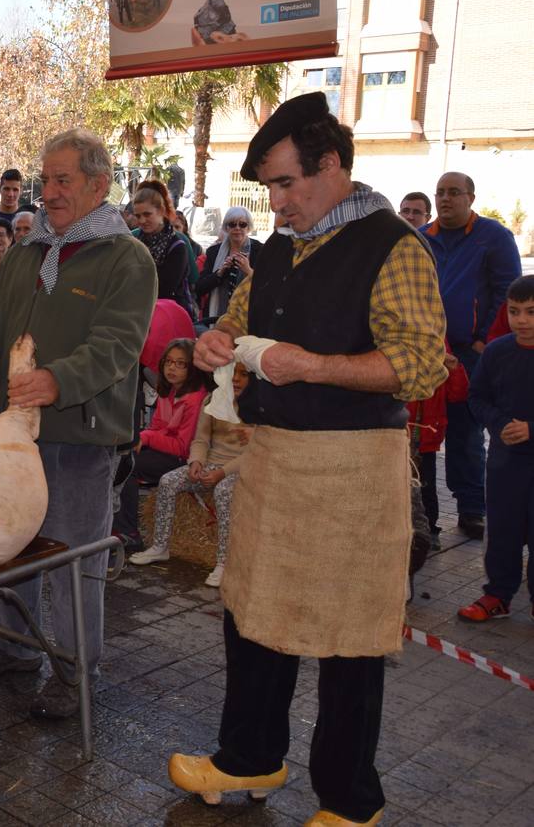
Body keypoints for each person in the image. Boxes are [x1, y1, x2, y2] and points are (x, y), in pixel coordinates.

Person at [171, 92, 446, 826]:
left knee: (349, 640)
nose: (277, 203)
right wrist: (212, 343)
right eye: (269, 188)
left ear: (331, 166)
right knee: (251, 615)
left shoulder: (394, 245)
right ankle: (249, 758)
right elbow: (234, 323)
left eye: (287, 183)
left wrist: (313, 367)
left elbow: (422, 365)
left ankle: (351, 802)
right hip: (274, 462)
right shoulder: (279, 249)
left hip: (354, 472)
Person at [0, 128, 156, 720]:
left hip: (78, 436)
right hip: (8, 433)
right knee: (9, 547)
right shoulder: (26, 251)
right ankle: (15, 648)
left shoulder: (127, 258)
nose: (51, 191)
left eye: (63, 180)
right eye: (46, 180)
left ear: (99, 185)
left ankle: (75, 672)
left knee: (73, 560)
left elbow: (118, 345)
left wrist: (58, 380)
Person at [424, 171, 522, 540]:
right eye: (440, 192)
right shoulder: (423, 237)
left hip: (470, 353)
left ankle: (471, 508)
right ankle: (424, 513)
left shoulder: (493, 237)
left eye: (454, 192)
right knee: (424, 433)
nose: (445, 199)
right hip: (429, 351)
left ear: (471, 198)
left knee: (466, 431)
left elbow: (508, 292)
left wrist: (483, 341)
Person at [131, 363, 254, 587]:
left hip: (241, 469)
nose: (235, 379)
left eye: (243, 374)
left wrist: (222, 473)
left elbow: (254, 452)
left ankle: (224, 562)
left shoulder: (260, 409)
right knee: (168, 481)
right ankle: (160, 546)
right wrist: (196, 462)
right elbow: (201, 440)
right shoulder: (213, 400)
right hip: (212, 463)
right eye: (232, 373)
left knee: (223, 491)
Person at [457, 275, 534, 622]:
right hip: (506, 463)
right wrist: (500, 424)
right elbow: (477, 397)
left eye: (531, 312)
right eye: (515, 311)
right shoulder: (497, 352)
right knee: (502, 530)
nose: (522, 320)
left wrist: (531, 429)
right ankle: (498, 595)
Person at [113, 338, 210, 550]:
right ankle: (115, 526)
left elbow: (183, 446)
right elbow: (156, 426)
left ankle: (129, 533)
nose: (172, 368)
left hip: (183, 458)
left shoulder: (195, 399)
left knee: (129, 467)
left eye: (180, 363)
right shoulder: (168, 391)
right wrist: (142, 437)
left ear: (192, 368)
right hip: (164, 449)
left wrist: (147, 438)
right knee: (121, 458)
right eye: (169, 362)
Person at [406, 345, 469, 550]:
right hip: (399, 435)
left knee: (426, 486)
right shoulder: (398, 348)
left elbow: (458, 393)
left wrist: (454, 367)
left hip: (427, 437)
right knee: (399, 484)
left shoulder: (440, 349)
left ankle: (430, 530)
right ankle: (404, 529)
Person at [132, 186, 196, 318]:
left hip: (168, 316)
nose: (142, 220)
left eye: (147, 214)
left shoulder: (177, 246)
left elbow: (164, 289)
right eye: (138, 216)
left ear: (161, 211)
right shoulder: (134, 241)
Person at [194, 206, 261, 324]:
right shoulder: (214, 252)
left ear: (248, 227)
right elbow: (199, 288)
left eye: (242, 224)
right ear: (226, 227)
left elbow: (265, 287)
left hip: (247, 317)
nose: (237, 228)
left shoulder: (259, 250)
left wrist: (248, 270)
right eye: (232, 224)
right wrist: (219, 273)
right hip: (216, 317)